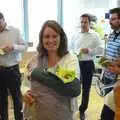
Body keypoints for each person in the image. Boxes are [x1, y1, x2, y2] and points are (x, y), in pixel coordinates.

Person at [23, 20, 81, 120]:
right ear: (41, 39)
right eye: (46, 36)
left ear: (61, 38)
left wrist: (37, 73)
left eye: (54, 36)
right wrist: (25, 92)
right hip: (37, 114)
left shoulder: (70, 60)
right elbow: (25, 83)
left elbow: (73, 89)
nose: (50, 40)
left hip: (62, 114)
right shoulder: (34, 60)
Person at [71, 13, 104, 120]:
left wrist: (89, 51)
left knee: (86, 88)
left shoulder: (95, 35)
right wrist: (76, 52)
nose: (83, 24)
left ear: (89, 23)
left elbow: (100, 50)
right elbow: (70, 48)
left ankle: (82, 110)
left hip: (88, 64)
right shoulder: (75, 35)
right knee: (73, 87)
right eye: (82, 22)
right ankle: (72, 108)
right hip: (76, 64)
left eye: (85, 22)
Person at [0, 12, 27, 120]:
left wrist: (13, 47)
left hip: (12, 70)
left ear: (3, 19)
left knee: (17, 99)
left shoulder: (15, 31)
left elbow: (24, 47)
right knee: (1, 100)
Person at [100, 7, 120, 120]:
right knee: (109, 105)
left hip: (117, 79)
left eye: (113, 19)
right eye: (110, 18)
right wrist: (105, 60)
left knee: (110, 110)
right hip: (108, 75)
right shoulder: (112, 35)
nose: (110, 21)